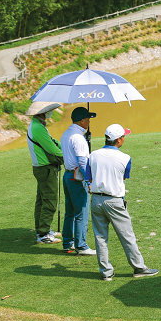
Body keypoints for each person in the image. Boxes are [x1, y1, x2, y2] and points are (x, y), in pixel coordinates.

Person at [85, 124, 158, 281]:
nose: (124, 139)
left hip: (96, 200)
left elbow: (89, 178)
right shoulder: (125, 158)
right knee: (127, 236)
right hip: (115, 201)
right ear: (118, 140)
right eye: (123, 137)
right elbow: (123, 177)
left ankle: (106, 272)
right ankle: (139, 267)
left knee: (100, 237)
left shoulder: (93, 155)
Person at [60, 106, 97, 256]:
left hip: (67, 176)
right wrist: (89, 182)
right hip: (77, 178)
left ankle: (68, 243)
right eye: (88, 119)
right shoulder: (78, 138)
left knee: (70, 212)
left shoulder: (66, 134)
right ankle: (81, 245)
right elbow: (82, 162)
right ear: (82, 121)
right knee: (81, 212)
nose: (89, 122)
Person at [26, 101, 64, 244]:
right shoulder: (38, 128)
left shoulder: (37, 125)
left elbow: (52, 142)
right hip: (45, 168)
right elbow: (52, 149)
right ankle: (43, 234)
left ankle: (43, 229)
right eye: (49, 110)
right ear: (42, 112)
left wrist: (63, 147)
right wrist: (66, 156)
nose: (51, 112)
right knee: (50, 201)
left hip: (41, 168)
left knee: (42, 200)